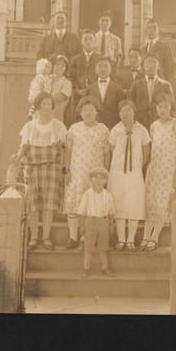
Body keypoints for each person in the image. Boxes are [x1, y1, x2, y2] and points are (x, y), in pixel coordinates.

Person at [10, 92, 67, 251]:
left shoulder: (58, 126)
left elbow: (63, 150)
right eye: (43, 104)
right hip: (32, 169)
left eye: (49, 103)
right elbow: (24, 147)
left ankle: (46, 238)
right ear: (38, 106)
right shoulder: (30, 126)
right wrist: (17, 157)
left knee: (48, 206)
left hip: (51, 169)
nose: (47, 107)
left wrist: (64, 169)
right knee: (32, 205)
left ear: (52, 106)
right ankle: (34, 237)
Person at [63, 96, 111, 251]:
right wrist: (67, 170)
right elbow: (68, 151)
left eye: (91, 109)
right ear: (80, 112)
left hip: (95, 176)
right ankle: (73, 237)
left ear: (97, 112)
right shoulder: (74, 128)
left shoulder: (103, 129)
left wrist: (105, 173)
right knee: (74, 204)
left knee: (91, 206)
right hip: (76, 173)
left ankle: (85, 238)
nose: (88, 112)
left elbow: (106, 153)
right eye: (84, 110)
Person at [140, 93, 176, 251]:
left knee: (161, 201)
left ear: (170, 107)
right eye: (159, 107)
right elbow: (154, 147)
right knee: (151, 201)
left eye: (165, 106)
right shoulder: (153, 126)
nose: (162, 109)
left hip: (169, 168)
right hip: (155, 167)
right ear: (156, 108)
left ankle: (154, 237)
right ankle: (146, 236)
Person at [107, 99, 150, 251]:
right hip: (117, 172)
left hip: (134, 173)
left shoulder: (142, 130)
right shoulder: (115, 130)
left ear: (134, 112)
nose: (125, 113)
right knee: (118, 203)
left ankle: (131, 239)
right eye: (122, 111)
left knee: (133, 204)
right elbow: (113, 150)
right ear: (119, 113)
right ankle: (121, 239)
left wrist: (137, 167)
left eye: (128, 110)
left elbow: (146, 152)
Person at [78, 166, 115, 278]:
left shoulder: (108, 195)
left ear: (105, 181)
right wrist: (81, 225)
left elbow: (111, 212)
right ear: (90, 180)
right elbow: (82, 211)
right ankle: (86, 268)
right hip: (90, 222)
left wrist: (111, 224)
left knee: (103, 247)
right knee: (88, 247)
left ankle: (104, 268)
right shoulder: (87, 194)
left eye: (102, 178)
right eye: (96, 178)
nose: (99, 181)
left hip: (104, 222)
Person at [128, 52, 175, 131]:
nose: (150, 65)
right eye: (148, 62)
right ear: (143, 66)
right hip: (139, 125)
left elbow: (172, 108)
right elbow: (130, 105)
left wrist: (167, 125)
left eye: (153, 62)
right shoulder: (135, 85)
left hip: (160, 125)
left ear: (158, 66)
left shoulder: (166, 85)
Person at [85, 56, 126, 130]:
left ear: (110, 69)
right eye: (99, 66)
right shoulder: (89, 89)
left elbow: (121, 108)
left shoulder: (118, 88)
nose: (103, 69)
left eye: (106, 66)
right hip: (94, 126)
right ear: (95, 70)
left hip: (113, 126)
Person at [68, 29, 99, 122]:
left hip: (95, 96)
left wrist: (93, 90)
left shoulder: (100, 58)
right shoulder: (75, 59)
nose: (88, 41)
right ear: (82, 41)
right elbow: (70, 77)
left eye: (90, 39)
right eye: (85, 39)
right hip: (78, 97)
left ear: (95, 41)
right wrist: (77, 90)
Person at [141, 18, 175, 84]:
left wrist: (167, 86)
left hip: (160, 84)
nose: (151, 30)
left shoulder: (165, 48)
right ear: (146, 31)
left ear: (159, 30)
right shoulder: (143, 50)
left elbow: (170, 70)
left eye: (154, 28)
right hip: (146, 85)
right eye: (149, 28)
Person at [48, 54, 72, 124]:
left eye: (63, 65)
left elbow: (61, 97)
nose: (60, 67)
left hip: (56, 117)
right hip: (40, 115)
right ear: (53, 66)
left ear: (65, 69)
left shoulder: (67, 83)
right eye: (58, 64)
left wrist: (43, 97)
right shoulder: (46, 78)